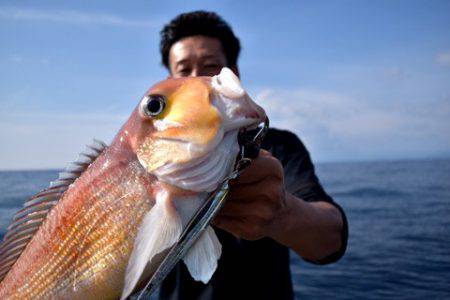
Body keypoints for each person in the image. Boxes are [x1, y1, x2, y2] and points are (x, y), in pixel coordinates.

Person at [158, 11, 348, 300]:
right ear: (169, 81)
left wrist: (283, 214)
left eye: (210, 67)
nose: (196, 81)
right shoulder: (148, 160)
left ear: (233, 73)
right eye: (184, 70)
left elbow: (331, 239)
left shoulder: (279, 146)